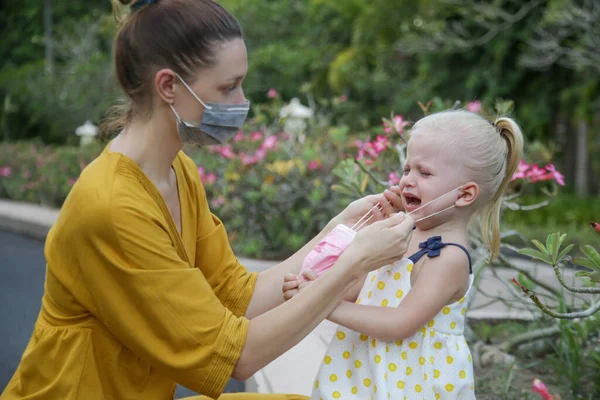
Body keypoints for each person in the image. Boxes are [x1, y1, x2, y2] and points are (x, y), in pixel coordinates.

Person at [1, 0, 417, 399]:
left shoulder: (176, 171)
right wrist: (354, 265)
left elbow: (237, 295)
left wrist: (340, 231)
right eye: (228, 87)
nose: (241, 104)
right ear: (168, 86)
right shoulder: (112, 208)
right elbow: (238, 354)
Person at [285, 110, 524, 399]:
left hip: (410, 384)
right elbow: (360, 291)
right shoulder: (400, 234)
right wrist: (315, 284)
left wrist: (321, 302)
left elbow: (399, 324)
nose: (407, 180)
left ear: (465, 194)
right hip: (366, 377)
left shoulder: (449, 258)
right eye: (406, 169)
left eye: (424, 173)